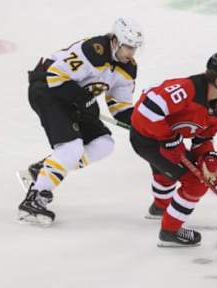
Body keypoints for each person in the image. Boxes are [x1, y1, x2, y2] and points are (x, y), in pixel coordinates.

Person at [18, 17, 144, 226]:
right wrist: (81, 99)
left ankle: (45, 169)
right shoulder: (93, 50)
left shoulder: (128, 68)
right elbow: (55, 77)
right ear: (114, 41)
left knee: (104, 145)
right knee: (72, 147)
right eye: (127, 47)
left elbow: (120, 107)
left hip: (78, 99)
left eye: (134, 48)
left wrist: (143, 123)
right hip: (47, 89)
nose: (131, 53)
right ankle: (35, 198)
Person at [130, 51, 217, 247]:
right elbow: (146, 110)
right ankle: (170, 231)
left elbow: (203, 139)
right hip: (146, 139)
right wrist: (170, 139)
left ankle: (160, 207)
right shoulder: (187, 89)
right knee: (195, 181)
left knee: (174, 170)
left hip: (166, 140)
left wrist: (209, 159)